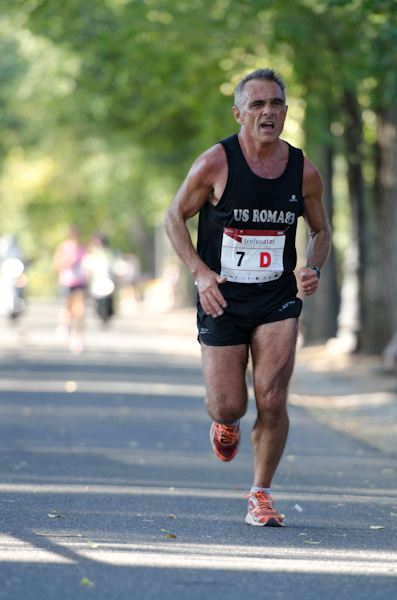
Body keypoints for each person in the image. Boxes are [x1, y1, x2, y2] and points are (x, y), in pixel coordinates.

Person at [165, 68, 331, 527]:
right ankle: (226, 422)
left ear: (285, 112)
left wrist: (312, 267)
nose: (268, 112)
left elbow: (321, 230)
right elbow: (174, 217)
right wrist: (200, 275)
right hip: (222, 299)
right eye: (257, 105)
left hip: (276, 299)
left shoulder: (303, 170)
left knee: (274, 399)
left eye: (276, 104)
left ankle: (260, 494)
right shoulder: (216, 162)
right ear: (239, 113)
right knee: (229, 403)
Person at [53, 225, 88, 354]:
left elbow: (89, 264)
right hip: (67, 281)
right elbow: (56, 264)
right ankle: (63, 328)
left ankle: (78, 338)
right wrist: (67, 261)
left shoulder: (83, 248)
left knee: (80, 310)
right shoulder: (63, 247)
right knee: (67, 308)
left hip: (80, 282)